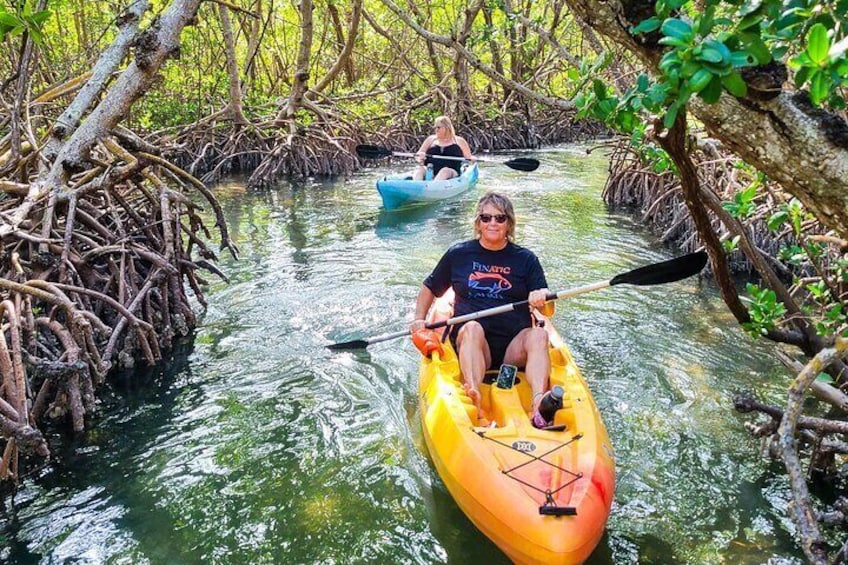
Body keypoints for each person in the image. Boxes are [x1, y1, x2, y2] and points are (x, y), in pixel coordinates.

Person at [410, 191, 555, 425]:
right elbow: (429, 287)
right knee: (472, 327)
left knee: (539, 335)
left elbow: (547, 312)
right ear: (477, 223)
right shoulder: (459, 254)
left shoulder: (526, 259)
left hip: (513, 348)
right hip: (475, 345)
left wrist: (543, 298)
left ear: (509, 223)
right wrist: (418, 319)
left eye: (500, 218)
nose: (493, 223)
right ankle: (473, 394)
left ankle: (538, 403)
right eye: (486, 218)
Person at [412, 116, 475, 181]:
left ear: (447, 127)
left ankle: (434, 187)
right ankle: (415, 186)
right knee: (419, 169)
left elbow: (469, 157)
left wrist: (472, 158)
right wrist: (420, 157)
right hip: (430, 170)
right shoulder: (430, 139)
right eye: (435, 127)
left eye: (438, 127)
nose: (436, 130)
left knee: (444, 171)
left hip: (451, 172)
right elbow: (418, 155)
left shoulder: (459, 141)